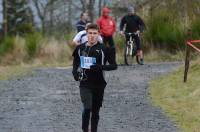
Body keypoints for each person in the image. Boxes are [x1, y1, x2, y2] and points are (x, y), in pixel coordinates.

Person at [72, 23, 117, 132]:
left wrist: (100, 67)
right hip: (85, 83)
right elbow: (75, 63)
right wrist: (75, 74)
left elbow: (114, 65)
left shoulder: (104, 49)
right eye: (90, 33)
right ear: (86, 34)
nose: (92, 36)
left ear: (98, 34)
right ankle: (85, 129)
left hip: (99, 84)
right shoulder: (80, 48)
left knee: (95, 111)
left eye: (94, 33)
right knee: (87, 108)